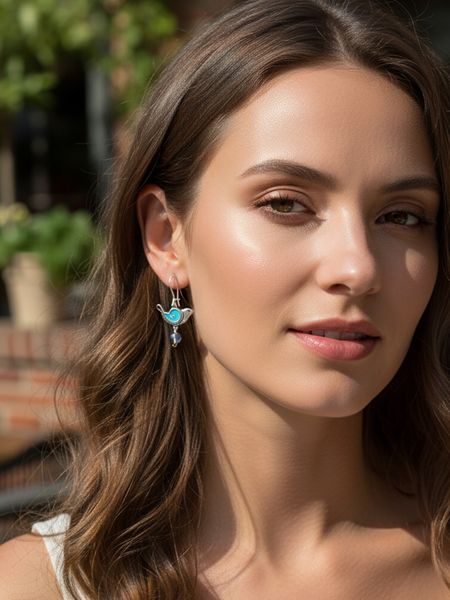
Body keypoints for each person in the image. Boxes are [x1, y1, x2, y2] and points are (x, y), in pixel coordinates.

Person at [1, 0, 449, 598]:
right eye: (286, 203)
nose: (358, 267)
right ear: (167, 237)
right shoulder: (38, 587)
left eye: (402, 215)